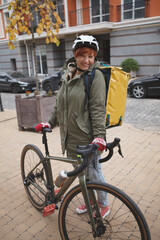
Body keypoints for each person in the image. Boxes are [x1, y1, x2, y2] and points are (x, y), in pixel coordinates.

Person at [35, 35, 110, 218]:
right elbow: (60, 104)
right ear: (75, 55)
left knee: (94, 174)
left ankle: (103, 204)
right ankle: (90, 201)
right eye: (83, 55)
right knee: (82, 172)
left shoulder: (95, 76)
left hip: (87, 138)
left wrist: (99, 135)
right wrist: (50, 122)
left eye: (91, 56)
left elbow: (98, 108)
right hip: (70, 136)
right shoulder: (68, 74)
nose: (87, 60)